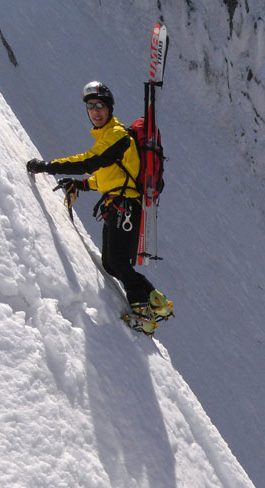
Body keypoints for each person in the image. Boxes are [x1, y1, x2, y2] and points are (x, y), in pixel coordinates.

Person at [27, 81, 171, 334]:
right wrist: (82, 185)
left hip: (125, 205)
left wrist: (47, 166)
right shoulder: (107, 136)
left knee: (117, 260)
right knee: (111, 264)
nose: (95, 111)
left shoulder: (116, 135)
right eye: (91, 106)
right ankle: (157, 302)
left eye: (100, 105)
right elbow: (110, 175)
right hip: (119, 203)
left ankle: (142, 314)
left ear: (110, 108)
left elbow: (91, 161)